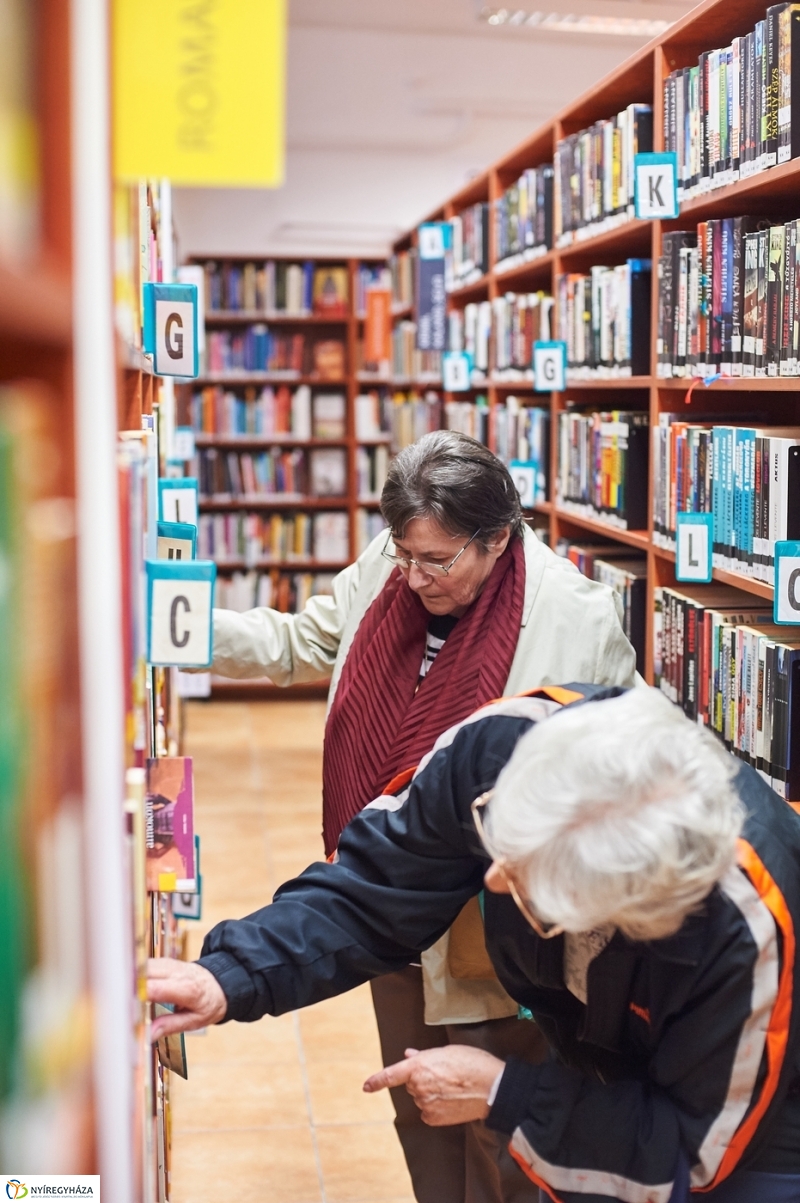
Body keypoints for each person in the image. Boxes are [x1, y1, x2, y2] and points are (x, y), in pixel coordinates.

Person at [149, 686, 800, 1203]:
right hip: (602, 1041)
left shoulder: (745, 934)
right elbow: (376, 885)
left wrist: (505, 1092)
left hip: (755, 1120)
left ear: (622, 908)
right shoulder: (503, 749)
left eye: (530, 881)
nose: (490, 880)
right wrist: (229, 975)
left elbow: (688, 1155)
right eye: (501, 843)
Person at [207, 431, 637, 1203]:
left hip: (496, 921)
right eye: (405, 554)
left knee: (498, 1120)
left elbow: (616, 768)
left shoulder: (574, 613)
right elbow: (305, 640)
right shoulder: (389, 565)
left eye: (437, 561)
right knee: (419, 1099)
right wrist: (179, 631)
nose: (413, 575)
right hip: (387, 890)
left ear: (496, 536)